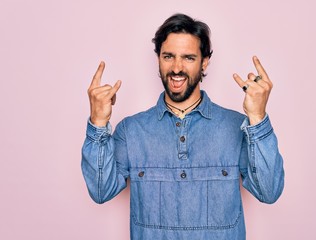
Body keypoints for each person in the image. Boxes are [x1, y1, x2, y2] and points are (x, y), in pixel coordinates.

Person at [82, 13, 284, 240]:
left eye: (188, 58)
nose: (176, 68)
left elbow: (269, 192)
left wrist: (257, 117)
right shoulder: (131, 130)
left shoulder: (236, 126)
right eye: (168, 56)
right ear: (158, 58)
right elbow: (100, 191)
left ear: (204, 61)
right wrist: (98, 122)